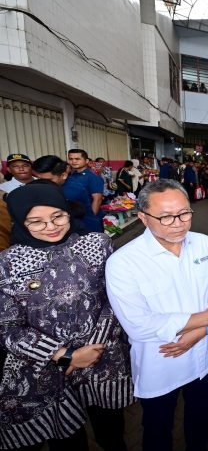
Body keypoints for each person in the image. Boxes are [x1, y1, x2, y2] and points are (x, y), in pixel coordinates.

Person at [0, 182, 133, 450]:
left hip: (102, 358)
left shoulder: (97, 245)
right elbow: (7, 327)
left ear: (68, 212)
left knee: (111, 432)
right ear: (20, 222)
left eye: (57, 216)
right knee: (66, 439)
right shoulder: (8, 263)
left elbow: (119, 300)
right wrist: (65, 355)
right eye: (36, 222)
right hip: (44, 369)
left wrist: (90, 351)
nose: (50, 227)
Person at [105, 179, 208, 451]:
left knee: (199, 421)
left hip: (205, 352)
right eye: (165, 217)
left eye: (185, 213)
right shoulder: (124, 262)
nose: (178, 223)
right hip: (161, 360)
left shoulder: (203, 243)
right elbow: (138, 325)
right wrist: (207, 319)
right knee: (158, 428)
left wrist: (202, 331)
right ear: (143, 217)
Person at [33, 155, 103, 233]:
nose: (42, 183)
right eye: (39, 179)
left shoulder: (72, 191)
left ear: (64, 175)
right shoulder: (53, 186)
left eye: (49, 180)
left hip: (84, 231)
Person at [66, 149, 104, 224]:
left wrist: (92, 219)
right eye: (71, 159)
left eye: (77, 159)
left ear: (86, 161)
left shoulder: (92, 177)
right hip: (75, 217)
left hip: (88, 218)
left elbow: (97, 199)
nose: (73, 161)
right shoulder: (72, 175)